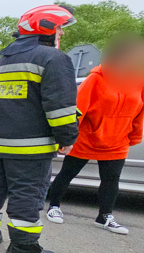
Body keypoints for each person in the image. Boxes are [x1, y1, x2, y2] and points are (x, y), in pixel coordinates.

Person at [0, 5, 79, 253]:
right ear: (46, 30)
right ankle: (23, 246)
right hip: (31, 147)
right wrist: (67, 137)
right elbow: (60, 107)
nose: (61, 35)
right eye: (59, 29)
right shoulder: (54, 59)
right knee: (27, 192)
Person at [46, 34, 144, 234]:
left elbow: (140, 112)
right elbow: (78, 108)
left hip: (117, 141)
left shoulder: (139, 81)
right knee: (68, 173)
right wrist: (67, 137)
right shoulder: (95, 79)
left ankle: (105, 216)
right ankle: (54, 206)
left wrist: (134, 136)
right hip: (86, 138)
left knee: (112, 179)